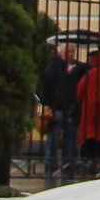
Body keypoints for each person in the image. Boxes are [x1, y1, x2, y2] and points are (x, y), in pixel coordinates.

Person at [39, 45, 83, 178]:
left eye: (73, 52)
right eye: (68, 51)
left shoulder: (78, 67)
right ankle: (50, 162)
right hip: (56, 107)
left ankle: (68, 163)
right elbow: (46, 86)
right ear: (60, 52)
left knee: (70, 137)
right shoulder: (53, 67)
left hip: (70, 108)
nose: (71, 54)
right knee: (54, 136)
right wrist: (46, 104)